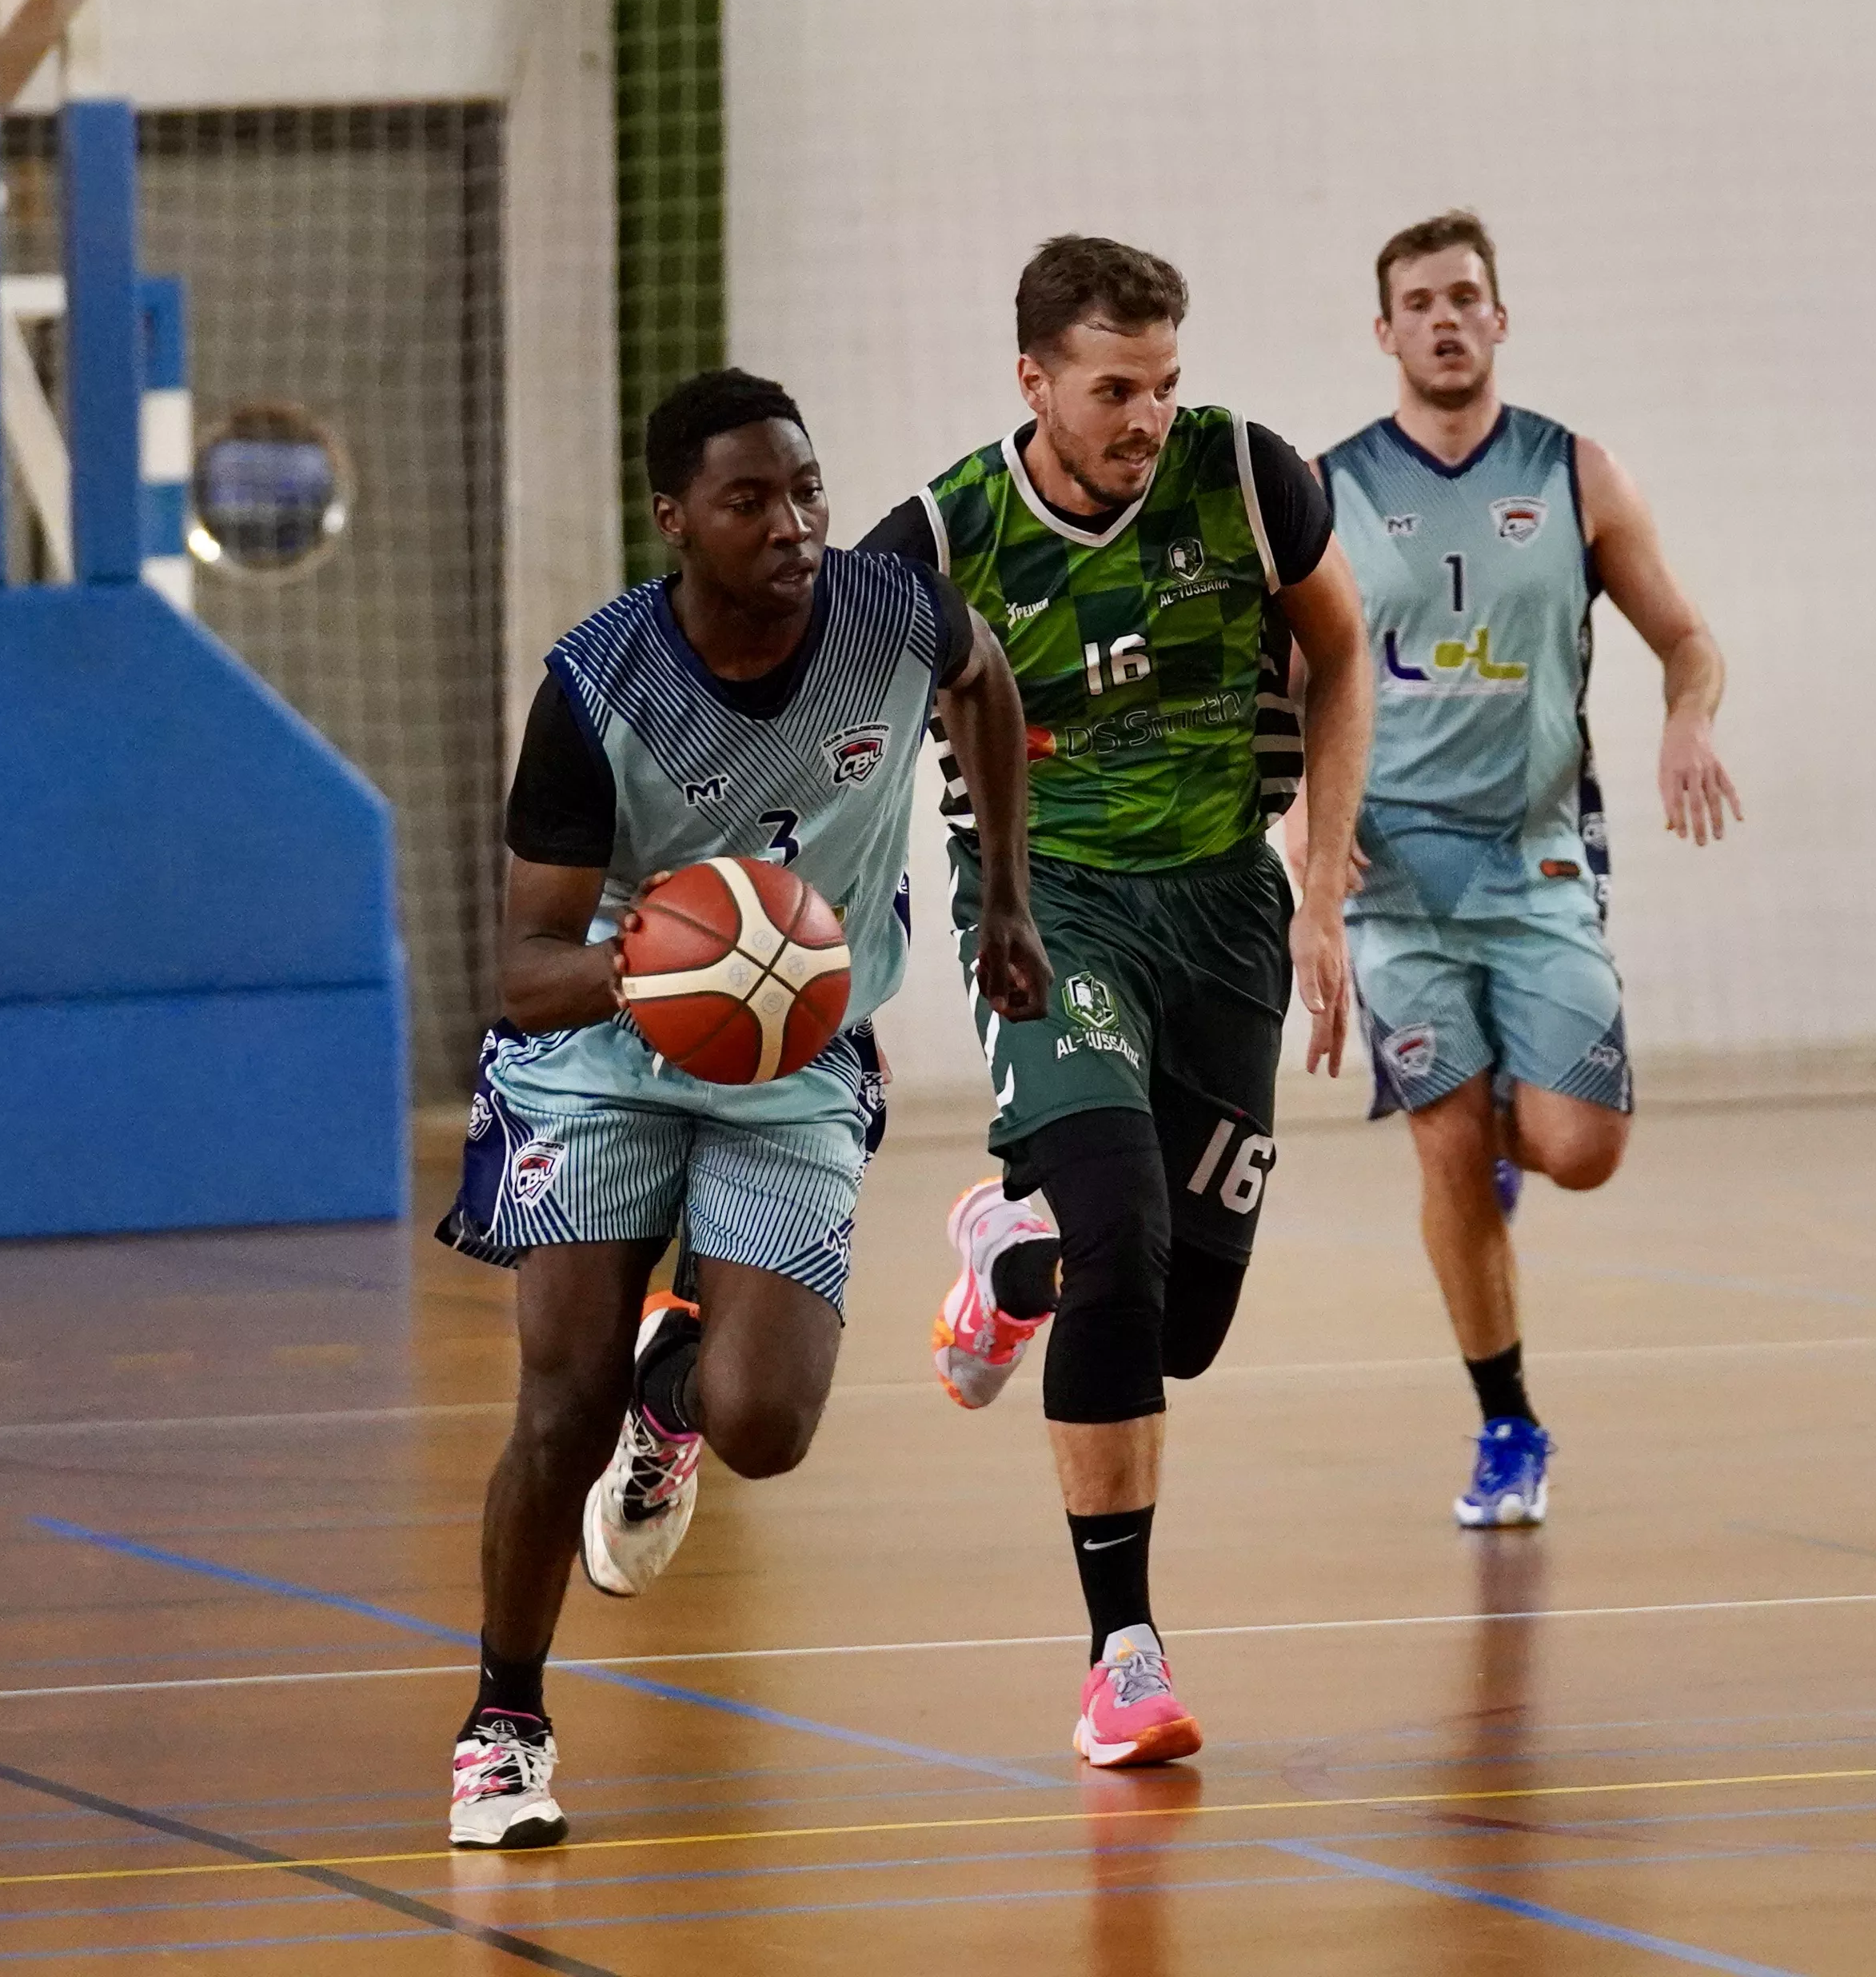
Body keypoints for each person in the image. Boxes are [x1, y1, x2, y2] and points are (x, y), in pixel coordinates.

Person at [437, 368, 1046, 1848]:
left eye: (808, 490)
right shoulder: (597, 688)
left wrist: (1005, 902)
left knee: (767, 1424)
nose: (794, 525)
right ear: (676, 519)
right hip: (605, 1049)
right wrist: (673, 963)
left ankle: (682, 1392)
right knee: (558, 1397)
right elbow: (522, 974)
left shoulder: (893, 613)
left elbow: (986, 685)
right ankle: (503, 1722)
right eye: (751, 500)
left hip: (795, 1058)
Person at [858, 235, 1373, 1767]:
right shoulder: (938, 541)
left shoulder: (1251, 480)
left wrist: (1324, 888)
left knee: (1182, 1323)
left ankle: (997, 1249)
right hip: (1050, 908)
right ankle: (1122, 1659)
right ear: (1033, 379)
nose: (1144, 418)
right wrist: (844, 956)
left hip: (1225, 907)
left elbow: (1344, 657)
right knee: (1120, 1238)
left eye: (1162, 385)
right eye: (1111, 390)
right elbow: (858, 749)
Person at [1317, 212, 1737, 1529]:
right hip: (1393, 874)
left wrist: (1687, 715)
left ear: (1501, 318)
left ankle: (1513, 1134)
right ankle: (1507, 1422)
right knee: (1444, 1143)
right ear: (1383, 333)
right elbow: (1300, 701)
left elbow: (1687, 636)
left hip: (1541, 856)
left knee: (1582, 1148)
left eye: (1466, 298)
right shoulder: (1328, 492)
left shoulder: (1577, 474)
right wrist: (1313, 888)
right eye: (1419, 303)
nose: (1446, 320)